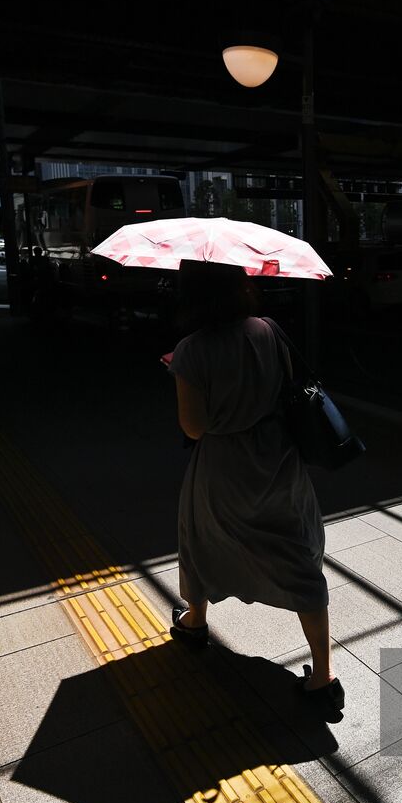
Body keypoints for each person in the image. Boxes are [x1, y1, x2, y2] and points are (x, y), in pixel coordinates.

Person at [166, 259, 343, 713]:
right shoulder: (269, 330)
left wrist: (184, 372)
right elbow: (288, 386)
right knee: (295, 552)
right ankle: (323, 676)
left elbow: (194, 427)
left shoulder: (190, 350)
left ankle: (195, 622)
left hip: (224, 466)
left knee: (203, 538)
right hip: (278, 456)